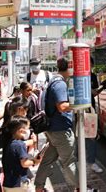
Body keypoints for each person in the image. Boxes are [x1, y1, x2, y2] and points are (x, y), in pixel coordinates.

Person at [34, 57, 78, 192]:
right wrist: (80, 104)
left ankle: (39, 186)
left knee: (48, 159)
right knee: (69, 161)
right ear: (69, 67)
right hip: (60, 129)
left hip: (53, 128)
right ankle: (80, 187)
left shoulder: (54, 80)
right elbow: (62, 106)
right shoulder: (60, 84)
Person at [2, 115, 43, 192]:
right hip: (18, 184)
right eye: (28, 128)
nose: (29, 131)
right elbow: (24, 163)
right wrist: (35, 161)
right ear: (21, 131)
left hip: (8, 183)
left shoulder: (10, 142)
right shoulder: (20, 145)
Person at [86, 57, 103, 173]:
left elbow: (95, 92)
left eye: (91, 65)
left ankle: (91, 162)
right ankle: (78, 161)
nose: (89, 67)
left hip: (90, 109)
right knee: (80, 137)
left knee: (92, 136)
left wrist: (100, 89)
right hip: (79, 110)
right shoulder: (76, 77)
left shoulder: (92, 76)